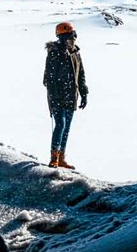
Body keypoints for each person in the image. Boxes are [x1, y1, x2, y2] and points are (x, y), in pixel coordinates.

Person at [43, 21, 88, 169]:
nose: (72, 39)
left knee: (66, 127)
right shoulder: (54, 53)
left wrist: (84, 93)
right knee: (60, 124)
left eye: (73, 35)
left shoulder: (75, 53)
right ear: (62, 38)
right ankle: (54, 157)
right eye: (69, 36)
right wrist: (55, 95)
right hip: (57, 97)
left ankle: (61, 157)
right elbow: (47, 79)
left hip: (71, 96)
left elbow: (80, 74)